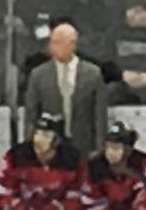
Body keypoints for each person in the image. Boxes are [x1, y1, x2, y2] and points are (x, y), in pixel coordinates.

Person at [19, 19, 107, 149]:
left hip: (83, 146)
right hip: (50, 147)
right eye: (51, 42)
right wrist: (30, 146)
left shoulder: (93, 74)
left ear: (72, 44)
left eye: (58, 42)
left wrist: (100, 148)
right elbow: (31, 116)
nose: (52, 46)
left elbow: (99, 117)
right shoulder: (38, 75)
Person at [1, 113, 85, 210]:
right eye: (36, 133)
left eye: (45, 135)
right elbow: (3, 191)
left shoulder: (71, 161)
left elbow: (78, 198)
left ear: (57, 140)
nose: (38, 140)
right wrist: (16, 207)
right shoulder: (16, 157)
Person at [81, 123, 146, 210]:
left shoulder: (144, 163)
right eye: (108, 147)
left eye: (116, 148)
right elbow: (90, 201)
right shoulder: (95, 166)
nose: (110, 152)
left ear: (127, 150)